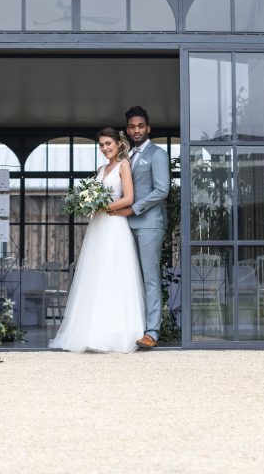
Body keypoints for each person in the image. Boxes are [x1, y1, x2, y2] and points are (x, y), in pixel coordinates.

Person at [49, 127, 146, 353]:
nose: (104, 149)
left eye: (108, 144)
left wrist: (104, 207)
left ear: (119, 144)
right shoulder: (101, 169)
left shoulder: (124, 166)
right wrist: (89, 204)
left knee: (115, 274)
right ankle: (90, 332)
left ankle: (116, 332)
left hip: (114, 225)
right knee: (95, 275)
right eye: (101, 145)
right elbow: (95, 194)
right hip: (98, 227)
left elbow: (129, 198)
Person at [109, 106, 169, 348]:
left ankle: (152, 332)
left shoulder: (158, 154)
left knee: (150, 279)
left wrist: (133, 209)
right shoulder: (127, 157)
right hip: (125, 226)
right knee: (129, 278)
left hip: (149, 225)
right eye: (132, 126)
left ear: (148, 128)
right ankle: (132, 327)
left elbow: (162, 190)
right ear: (127, 129)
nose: (136, 130)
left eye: (140, 126)